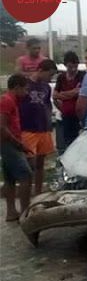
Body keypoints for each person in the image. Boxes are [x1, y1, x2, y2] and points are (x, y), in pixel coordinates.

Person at [19, 59, 57, 196]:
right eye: (49, 74)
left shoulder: (46, 87)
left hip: (43, 128)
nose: (50, 78)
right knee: (29, 164)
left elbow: (47, 105)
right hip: (28, 128)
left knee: (41, 163)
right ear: (41, 70)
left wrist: (48, 123)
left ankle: (38, 192)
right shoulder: (26, 85)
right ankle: (26, 193)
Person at [0, 75, 32, 221]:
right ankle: (26, 212)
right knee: (26, 175)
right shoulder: (6, 100)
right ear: (17, 87)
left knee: (10, 178)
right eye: (25, 89)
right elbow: (2, 127)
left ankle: (11, 212)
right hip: (8, 144)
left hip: (9, 143)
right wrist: (19, 144)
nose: (26, 93)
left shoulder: (12, 100)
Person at [53, 51, 85, 152]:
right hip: (66, 115)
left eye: (75, 66)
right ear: (66, 65)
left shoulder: (82, 75)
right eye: (70, 67)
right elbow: (55, 96)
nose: (73, 69)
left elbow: (81, 92)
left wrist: (63, 95)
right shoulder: (61, 77)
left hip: (79, 115)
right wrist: (72, 93)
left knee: (79, 141)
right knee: (67, 142)